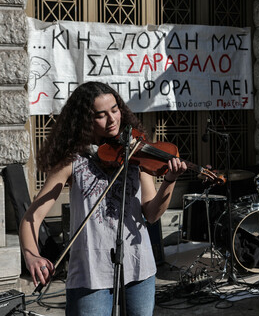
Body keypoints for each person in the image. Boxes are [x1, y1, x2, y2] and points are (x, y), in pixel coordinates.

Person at [19, 82, 187, 316]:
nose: (112, 120)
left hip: (138, 266)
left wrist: (169, 181)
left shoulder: (136, 152)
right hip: (90, 273)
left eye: (115, 110)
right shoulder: (72, 161)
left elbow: (151, 214)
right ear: (85, 120)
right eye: (101, 115)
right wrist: (32, 255)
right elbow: (32, 217)